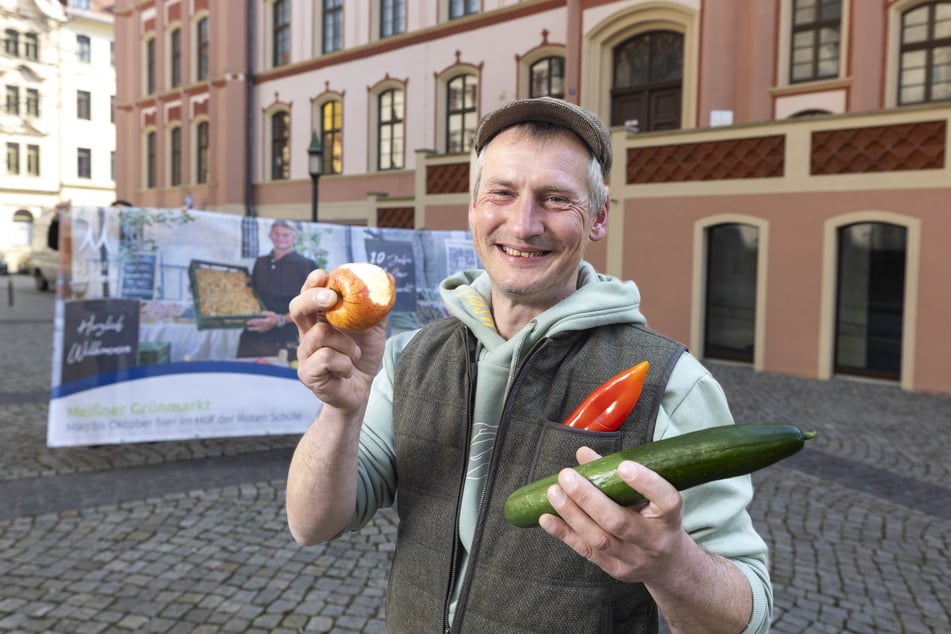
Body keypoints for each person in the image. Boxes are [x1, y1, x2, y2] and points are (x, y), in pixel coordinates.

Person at [285, 97, 772, 633]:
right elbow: (312, 524)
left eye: (556, 198)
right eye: (502, 192)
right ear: (473, 208)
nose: (524, 223)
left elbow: (747, 614)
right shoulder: (410, 357)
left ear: (599, 217)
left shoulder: (670, 382)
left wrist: (674, 565)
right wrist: (340, 411)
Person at [236, 220, 316, 358]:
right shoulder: (260, 262)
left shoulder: (307, 265)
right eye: (276, 233)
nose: (280, 238)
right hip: (252, 337)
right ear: (270, 236)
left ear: (295, 238)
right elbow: (251, 294)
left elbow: (313, 305)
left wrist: (281, 319)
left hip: (286, 340)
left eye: (286, 235)